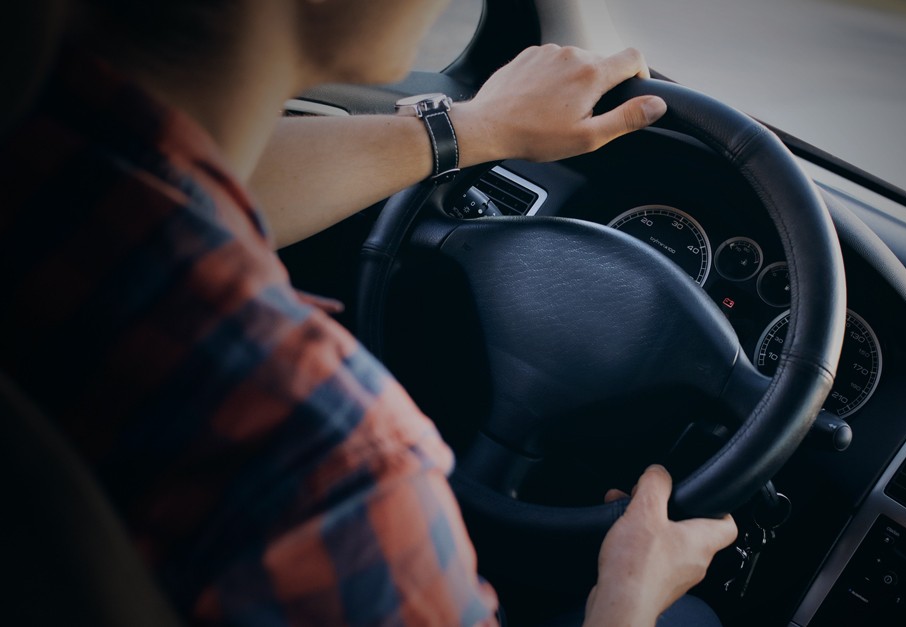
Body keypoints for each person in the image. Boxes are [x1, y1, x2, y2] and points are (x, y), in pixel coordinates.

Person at [0, 0, 738, 626]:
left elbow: (205, 182)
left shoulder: (44, 150)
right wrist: (626, 597)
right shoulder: (333, 467)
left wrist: (475, 128)